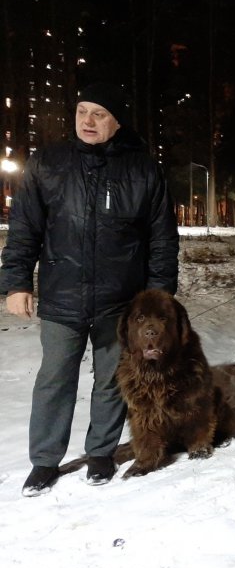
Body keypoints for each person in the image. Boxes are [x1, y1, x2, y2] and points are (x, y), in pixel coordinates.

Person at [0, 82, 179, 496]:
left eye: (99, 113)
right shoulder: (48, 162)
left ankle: (100, 452)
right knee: (54, 378)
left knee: (112, 378)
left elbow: (162, 240)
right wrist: (16, 282)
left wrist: (158, 299)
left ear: (116, 121)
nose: (88, 121)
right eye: (82, 111)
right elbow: (25, 228)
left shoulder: (143, 170)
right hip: (62, 295)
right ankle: (45, 461)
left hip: (121, 301)